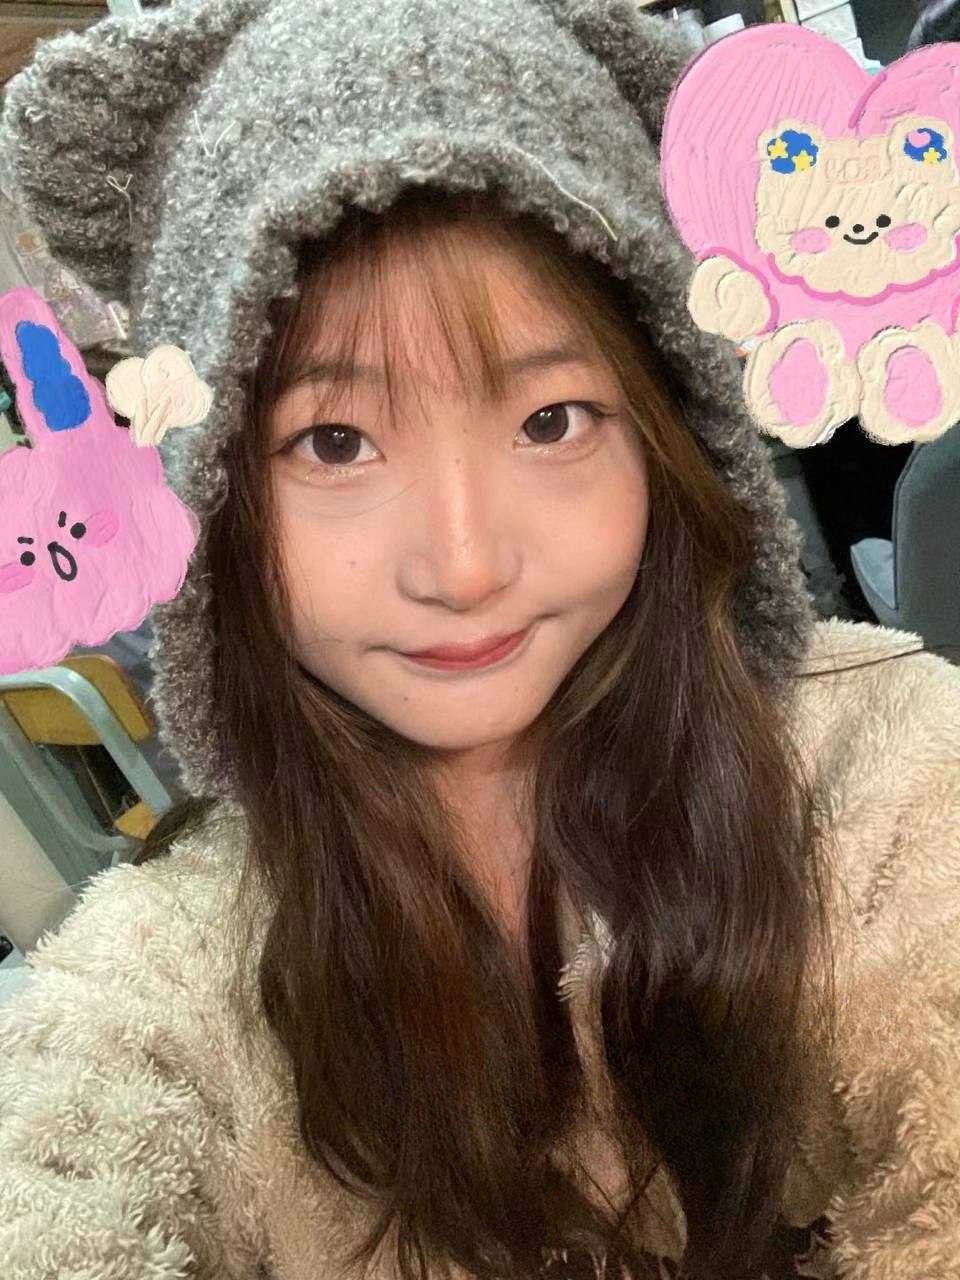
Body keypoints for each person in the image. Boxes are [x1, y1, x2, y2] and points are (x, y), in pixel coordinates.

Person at [0, 3, 958, 1279]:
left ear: (670, 431)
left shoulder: (881, 776)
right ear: (214, 489)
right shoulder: (172, 974)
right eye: (334, 442)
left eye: (552, 420)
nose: (462, 565)